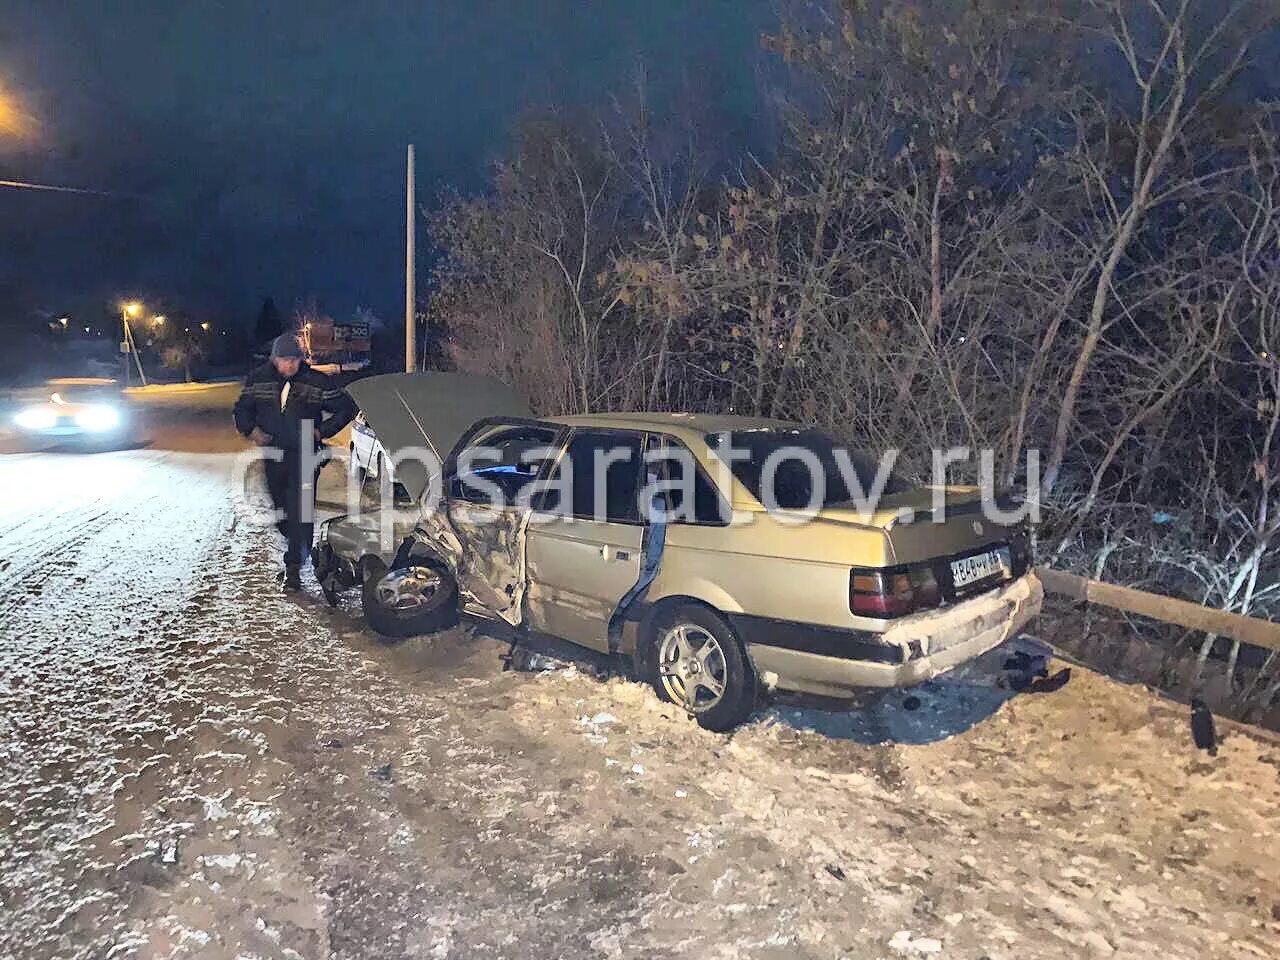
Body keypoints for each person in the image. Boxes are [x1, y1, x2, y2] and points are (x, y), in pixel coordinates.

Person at [233, 333, 357, 591]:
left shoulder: (317, 381)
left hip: (305, 454)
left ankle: (293, 569)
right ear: (274, 359)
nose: (290, 365)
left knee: (300, 511)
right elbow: (242, 408)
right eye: (284, 360)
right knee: (282, 511)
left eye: (294, 360)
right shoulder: (259, 379)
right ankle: (298, 546)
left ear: (300, 359)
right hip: (273, 452)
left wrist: (321, 431)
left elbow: (346, 408)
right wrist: (251, 430)